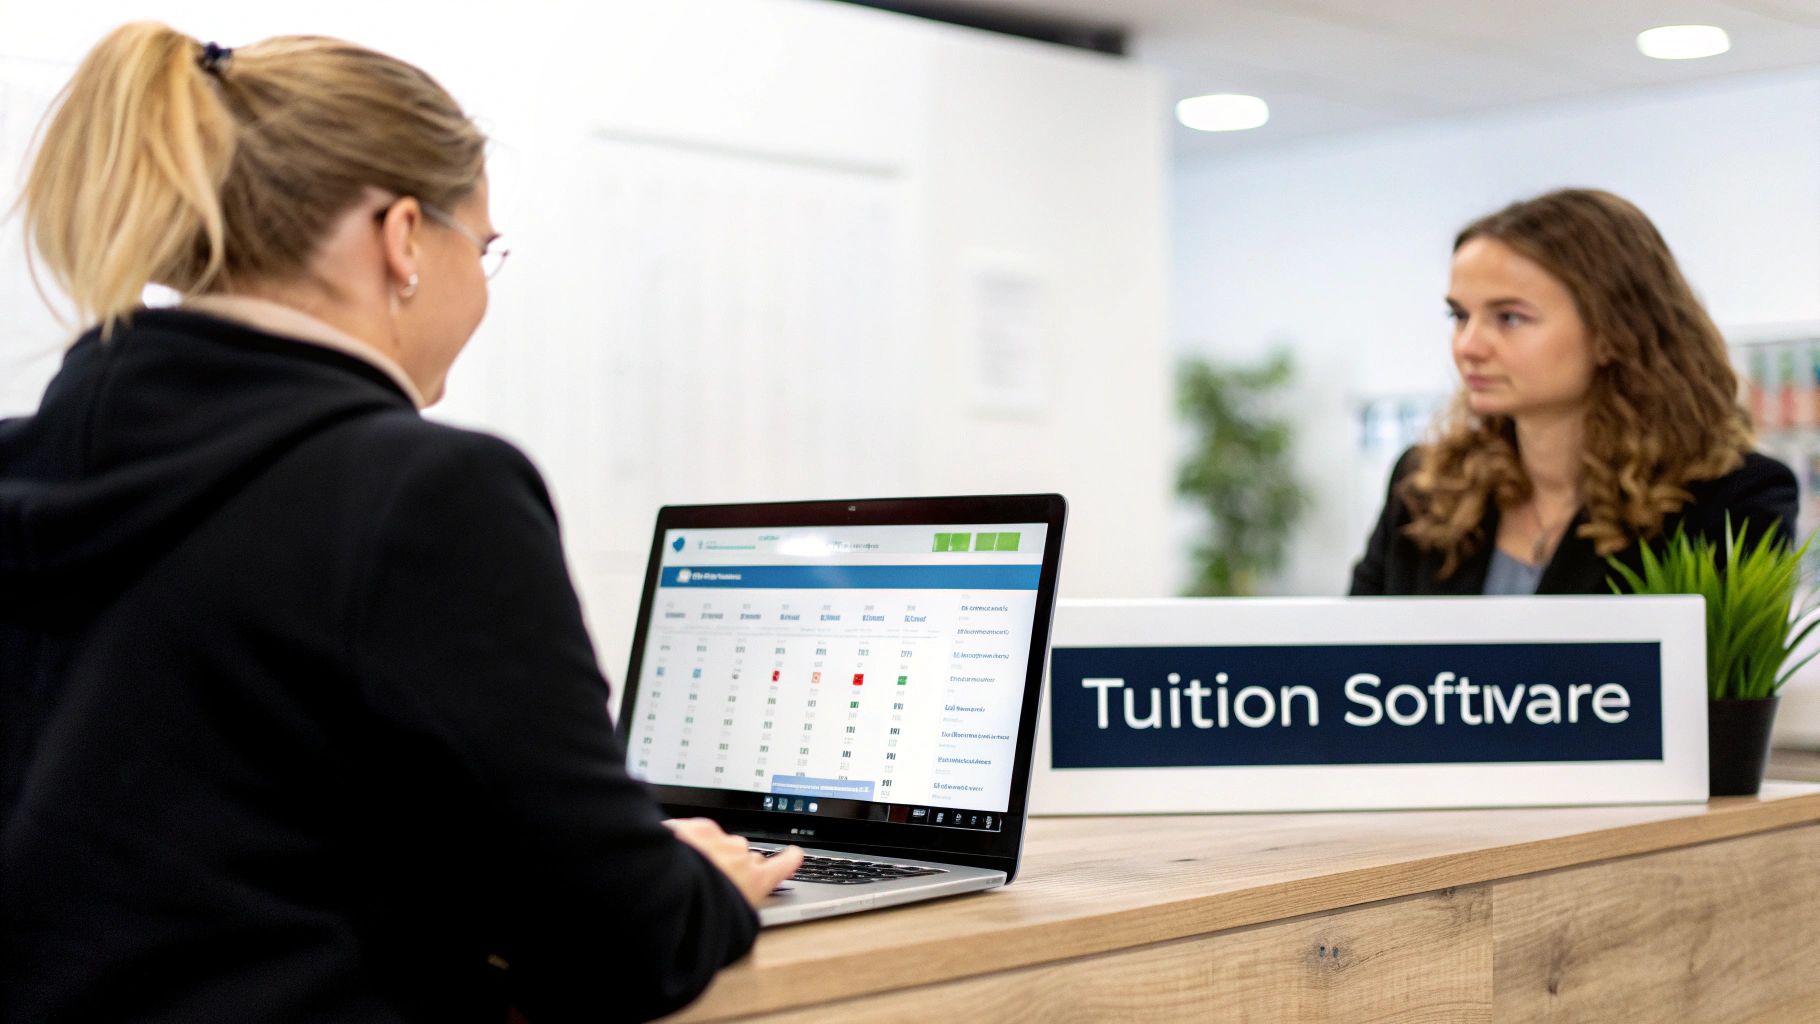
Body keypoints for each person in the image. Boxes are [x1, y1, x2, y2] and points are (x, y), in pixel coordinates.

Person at [0, 23, 799, 1023]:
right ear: (405, 238)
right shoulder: (424, 492)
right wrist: (703, 886)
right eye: (486, 248)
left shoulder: (25, 462)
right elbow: (621, 936)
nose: (482, 288)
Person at [1351, 188, 1798, 596]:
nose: (1468, 346)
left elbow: (1723, 682)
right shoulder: (1422, 487)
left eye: (1508, 318)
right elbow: (1351, 664)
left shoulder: (1729, 501)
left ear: (1612, 332)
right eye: (1459, 316)